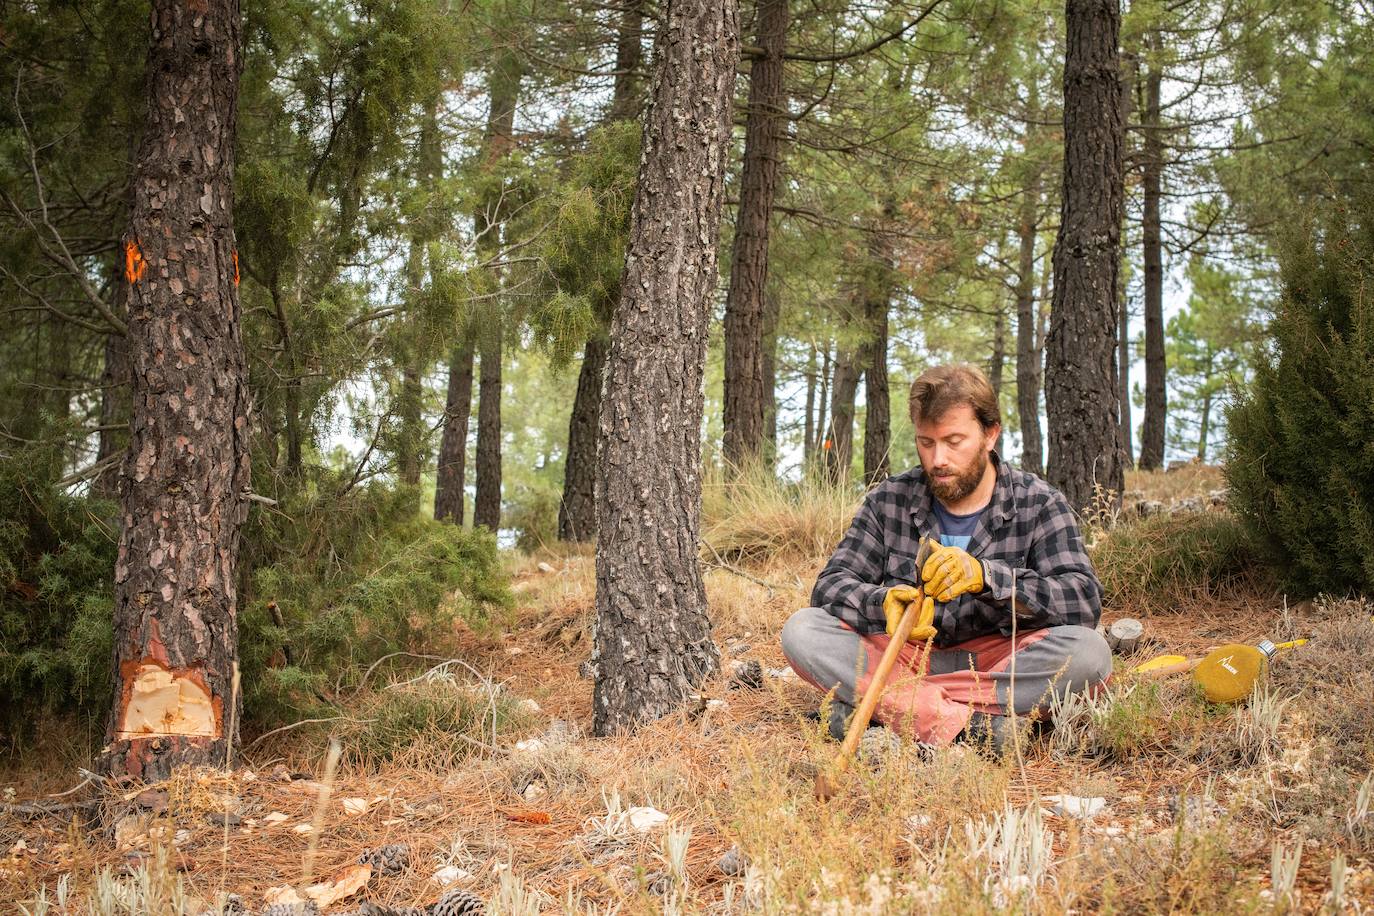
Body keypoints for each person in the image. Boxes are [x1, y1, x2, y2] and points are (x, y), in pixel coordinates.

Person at [781, 364, 1111, 755]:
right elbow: (831, 586)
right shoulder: (890, 500)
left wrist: (987, 578)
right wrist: (881, 602)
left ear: (990, 434)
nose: (938, 459)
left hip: (1000, 660)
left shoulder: (1038, 501)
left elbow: (1082, 600)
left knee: (1090, 653)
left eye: (954, 441)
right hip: (904, 656)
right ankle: (972, 726)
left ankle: (887, 707)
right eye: (926, 442)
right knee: (802, 630)